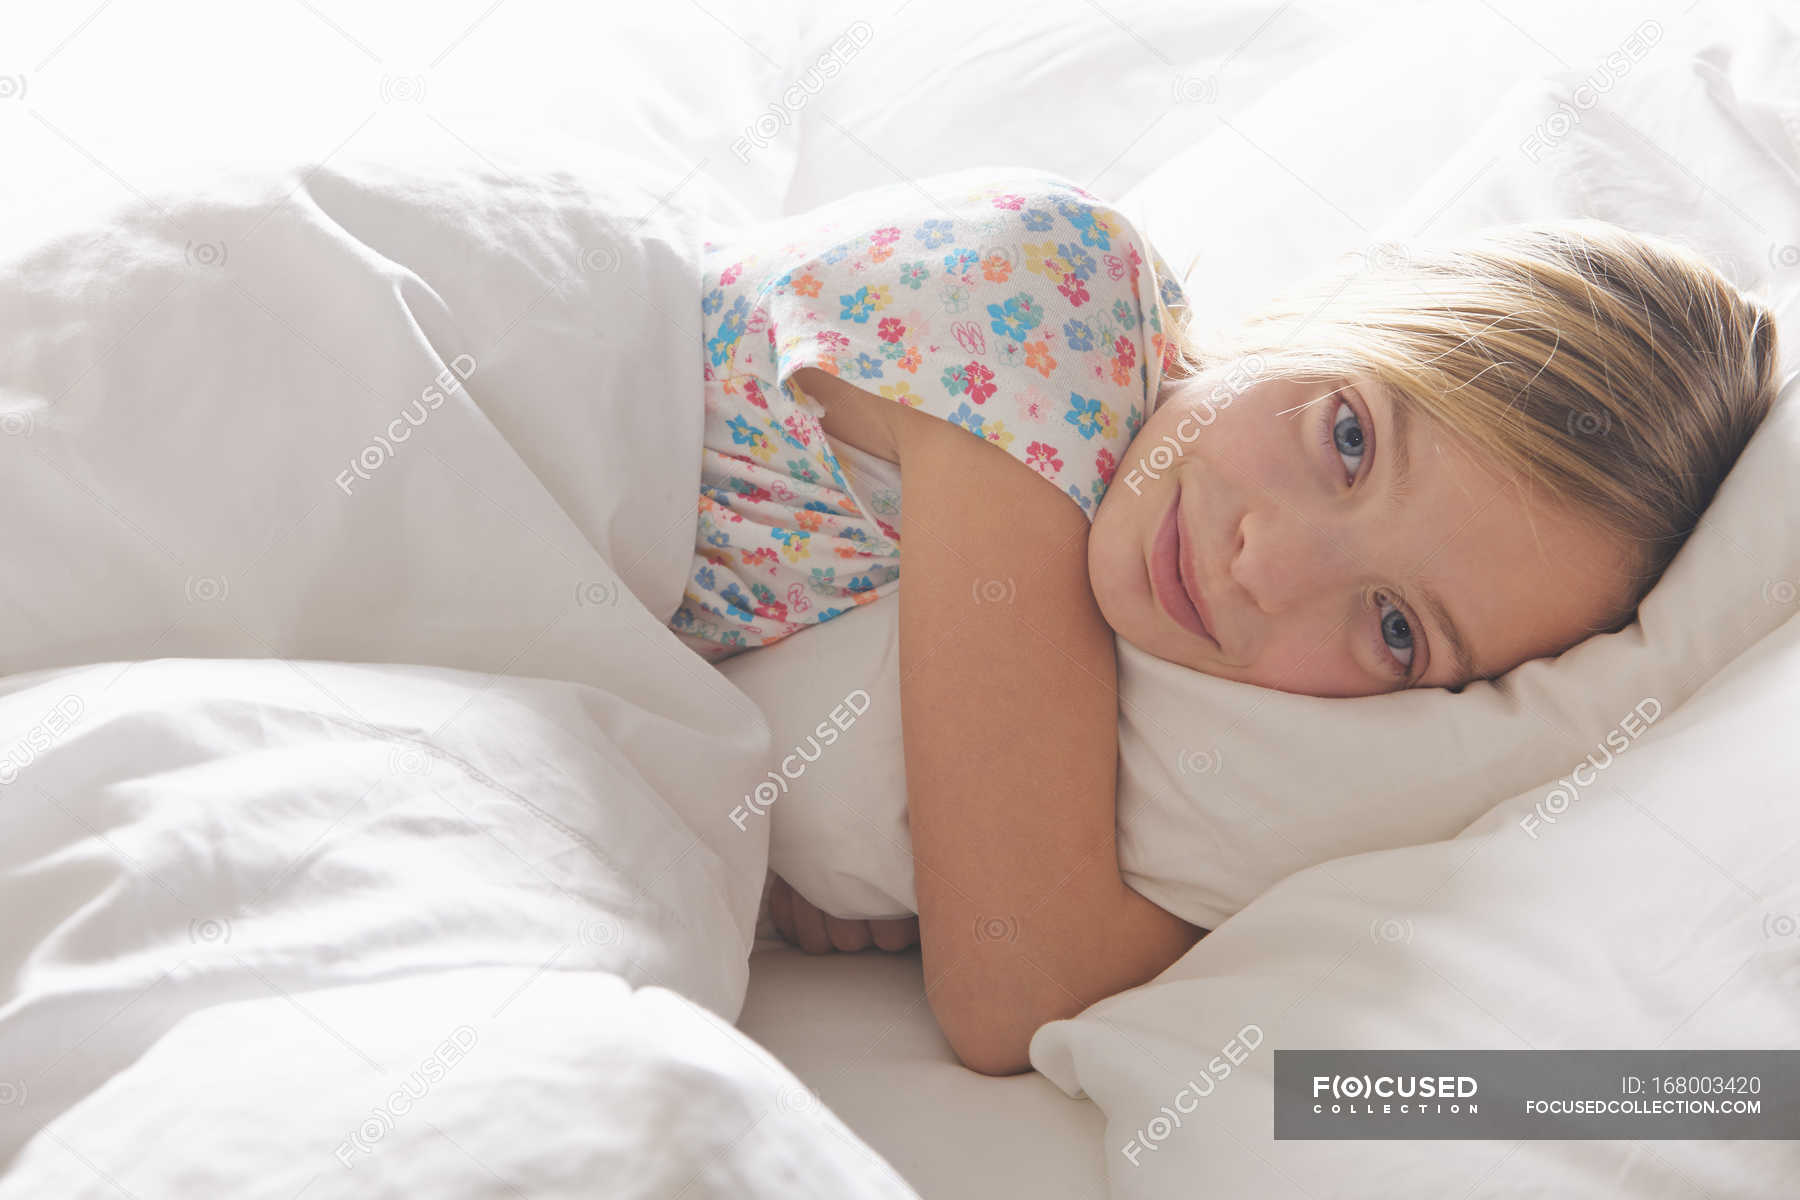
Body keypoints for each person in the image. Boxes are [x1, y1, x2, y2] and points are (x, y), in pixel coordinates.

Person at [677, 169, 1782, 1074]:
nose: (1269, 562)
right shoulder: (1054, 306)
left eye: (1396, 629)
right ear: (1338, 300)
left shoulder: (1109, 512)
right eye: (1349, 438)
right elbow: (1014, 987)